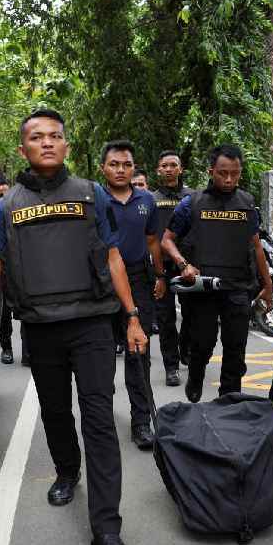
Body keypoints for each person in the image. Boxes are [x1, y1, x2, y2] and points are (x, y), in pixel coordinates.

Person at [0, 109, 147, 545]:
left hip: (91, 323)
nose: (47, 142)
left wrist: (132, 316)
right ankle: (68, 470)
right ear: (23, 147)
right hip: (41, 327)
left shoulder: (93, 196)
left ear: (67, 145)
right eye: (36, 137)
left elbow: (113, 260)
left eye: (55, 136)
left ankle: (107, 529)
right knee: (54, 412)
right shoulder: (5, 209)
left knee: (99, 419)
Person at [161, 144, 273, 403]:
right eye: (223, 173)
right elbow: (167, 240)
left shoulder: (246, 202)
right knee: (202, 345)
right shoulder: (192, 203)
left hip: (237, 287)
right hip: (204, 289)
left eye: (235, 173)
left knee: (236, 350)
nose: (229, 179)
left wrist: (267, 285)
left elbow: (256, 245)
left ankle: (228, 402)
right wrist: (182, 264)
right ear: (211, 171)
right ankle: (196, 374)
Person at [98, 140, 166, 450]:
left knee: (138, 354)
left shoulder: (147, 201)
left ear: (134, 167)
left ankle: (141, 421)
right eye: (114, 164)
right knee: (99, 357)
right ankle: (100, 418)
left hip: (139, 279)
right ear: (104, 168)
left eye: (127, 164)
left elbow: (153, 240)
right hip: (100, 282)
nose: (121, 170)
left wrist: (160, 275)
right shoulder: (93, 200)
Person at [151, 150, 194, 386]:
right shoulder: (150, 199)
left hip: (188, 265)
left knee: (191, 315)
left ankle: (185, 348)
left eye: (173, 165)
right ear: (159, 170)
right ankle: (171, 366)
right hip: (162, 267)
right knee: (166, 319)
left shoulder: (193, 197)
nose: (169, 169)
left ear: (180, 169)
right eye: (164, 166)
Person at [0, 175, 29, 365]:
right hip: (0, 270)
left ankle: (28, 351)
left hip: (20, 267)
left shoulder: (18, 208)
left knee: (26, 308)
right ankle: (6, 347)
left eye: (5, 194)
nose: (2, 198)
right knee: (6, 311)